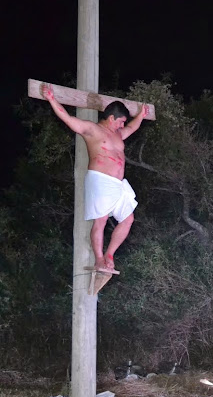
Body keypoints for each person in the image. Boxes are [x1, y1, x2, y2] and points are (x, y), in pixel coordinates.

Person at [43, 84, 149, 273]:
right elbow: (67, 119)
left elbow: (132, 128)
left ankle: (109, 255)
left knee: (129, 219)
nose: (122, 126)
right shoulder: (92, 129)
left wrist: (141, 115)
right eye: (121, 122)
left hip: (119, 184)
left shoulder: (119, 134)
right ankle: (99, 259)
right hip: (100, 180)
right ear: (111, 118)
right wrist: (52, 98)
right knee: (100, 221)